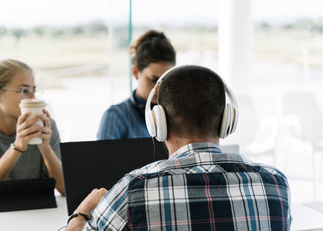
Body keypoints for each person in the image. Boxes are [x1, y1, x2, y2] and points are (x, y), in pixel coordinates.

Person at [66, 65, 291, 231]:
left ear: (158, 123)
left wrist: (81, 213)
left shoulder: (132, 191)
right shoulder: (276, 184)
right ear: (227, 120)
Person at [0, 59, 65, 205]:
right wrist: (17, 147)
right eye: (24, 91)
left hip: (37, 216)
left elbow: (64, 190)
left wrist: (45, 147)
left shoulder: (47, 128)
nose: (32, 98)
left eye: (33, 90)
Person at [97, 30, 176, 140]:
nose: (160, 89)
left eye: (166, 80)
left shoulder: (177, 115)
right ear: (135, 72)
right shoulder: (115, 117)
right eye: (154, 80)